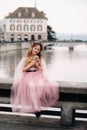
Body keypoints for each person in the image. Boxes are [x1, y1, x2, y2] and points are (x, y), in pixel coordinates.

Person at [11, 42, 59, 118]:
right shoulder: (25, 58)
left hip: (37, 75)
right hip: (27, 75)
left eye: (38, 50)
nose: (36, 50)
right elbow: (23, 70)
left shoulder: (40, 59)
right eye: (35, 48)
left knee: (41, 85)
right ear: (32, 48)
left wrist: (37, 65)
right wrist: (31, 64)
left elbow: (41, 70)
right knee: (32, 86)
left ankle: (38, 104)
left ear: (39, 51)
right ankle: (37, 108)